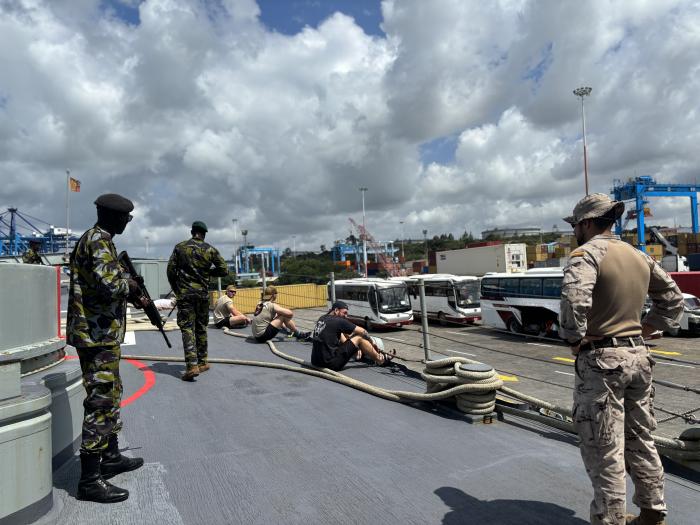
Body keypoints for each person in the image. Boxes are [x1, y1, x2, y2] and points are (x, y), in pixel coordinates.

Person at [559, 193, 683, 525]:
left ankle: (610, 520)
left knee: (604, 446)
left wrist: (576, 338)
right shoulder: (638, 255)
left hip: (601, 362)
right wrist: (646, 328)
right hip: (639, 358)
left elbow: (574, 300)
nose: (575, 232)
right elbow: (672, 299)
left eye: (576, 226)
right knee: (640, 437)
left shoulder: (585, 255)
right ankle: (652, 510)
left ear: (585, 223)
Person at [67, 193, 145, 504]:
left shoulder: (102, 239)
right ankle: (89, 480)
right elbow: (110, 285)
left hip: (102, 334)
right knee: (100, 401)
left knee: (111, 393)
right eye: (126, 217)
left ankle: (110, 457)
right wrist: (134, 287)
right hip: (95, 334)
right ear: (114, 216)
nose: (128, 221)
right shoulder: (97, 240)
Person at [167, 221, 228, 381]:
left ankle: (192, 366)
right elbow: (224, 270)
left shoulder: (180, 247)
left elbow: (170, 271)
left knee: (187, 328)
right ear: (204, 233)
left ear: (192, 231)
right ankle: (203, 362)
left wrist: (177, 289)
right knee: (201, 327)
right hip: (202, 295)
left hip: (186, 295)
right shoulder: (210, 249)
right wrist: (207, 272)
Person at [311, 300, 391, 371]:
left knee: (342, 333)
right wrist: (372, 342)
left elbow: (341, 335)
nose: (346, 316)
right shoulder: (339, 321)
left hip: (315, 362)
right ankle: (380, 360)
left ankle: (358, 352)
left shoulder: (322, 318)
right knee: (359, 337)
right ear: (336, 310)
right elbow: (363, 331)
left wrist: (353, 348)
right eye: (344, 313)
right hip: (330, 364)